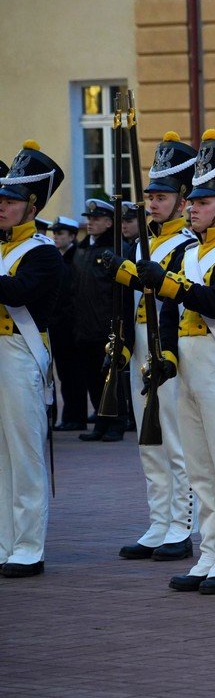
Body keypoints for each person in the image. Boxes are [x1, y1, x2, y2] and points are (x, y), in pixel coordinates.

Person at [138, 129, 215, 595]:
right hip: (188, 364)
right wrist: (167, 355)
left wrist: (169, 285)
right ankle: (208, 553)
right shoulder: (189, 251)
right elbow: (170, 315)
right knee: (199, 466)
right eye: (192, 201)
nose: (192, 207)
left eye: (203, 202)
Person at [97, 132, 198, 562]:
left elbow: (171, 296)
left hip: (170, 348)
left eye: (161, 196)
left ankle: (183, 525)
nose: (152, 203)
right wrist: (120, 343)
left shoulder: (187, 244)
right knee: (149, 439)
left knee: (176, 440)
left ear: (182, 197)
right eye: (150, 196)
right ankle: (160, 521)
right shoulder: (144, 243)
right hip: (141, 344)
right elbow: (129, 300)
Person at [0, 141, 67, 577]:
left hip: (20, 354)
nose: (1, 208)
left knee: (24, 456)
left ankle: (28, 546)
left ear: (31, 205)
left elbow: (18, 293)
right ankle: (5, 541)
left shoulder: (41, 252)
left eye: (8, 201)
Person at [75, 198, 122, 441]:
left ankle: (115, 424)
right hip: (84, 327)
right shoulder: (83, 249)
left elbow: (118, 291)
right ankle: (100, 425)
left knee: (110, 379)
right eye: (89, 218)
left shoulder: (114, 251)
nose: (90, 222)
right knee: (92, 378)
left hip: (106, 326)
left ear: (108, 222)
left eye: (96, 219)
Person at [49, 216, 87, 432]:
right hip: (57, 325)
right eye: (55, 233)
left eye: (60, 233)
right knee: (62, 374)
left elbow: (74, 294)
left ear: (72, 236)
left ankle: (76, 416)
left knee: (74, 375)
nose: (56, 237)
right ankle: (67, 417)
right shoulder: (57, 257)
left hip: (71, 325)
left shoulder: (77, 256)